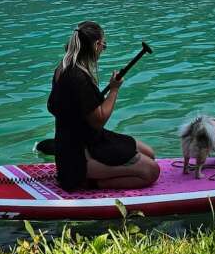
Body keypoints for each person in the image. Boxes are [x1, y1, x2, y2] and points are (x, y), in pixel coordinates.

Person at [47, 21, 160, 192]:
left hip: (83, 141)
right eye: (103, 45)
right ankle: (88, 183)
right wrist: (114, 90)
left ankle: (95, 174)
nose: (103, 50)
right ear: (96, 45)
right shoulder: (78, 78)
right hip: (80, 155)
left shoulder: (62, 68)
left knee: (150, 153)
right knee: (151, 171)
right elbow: (98, 120)